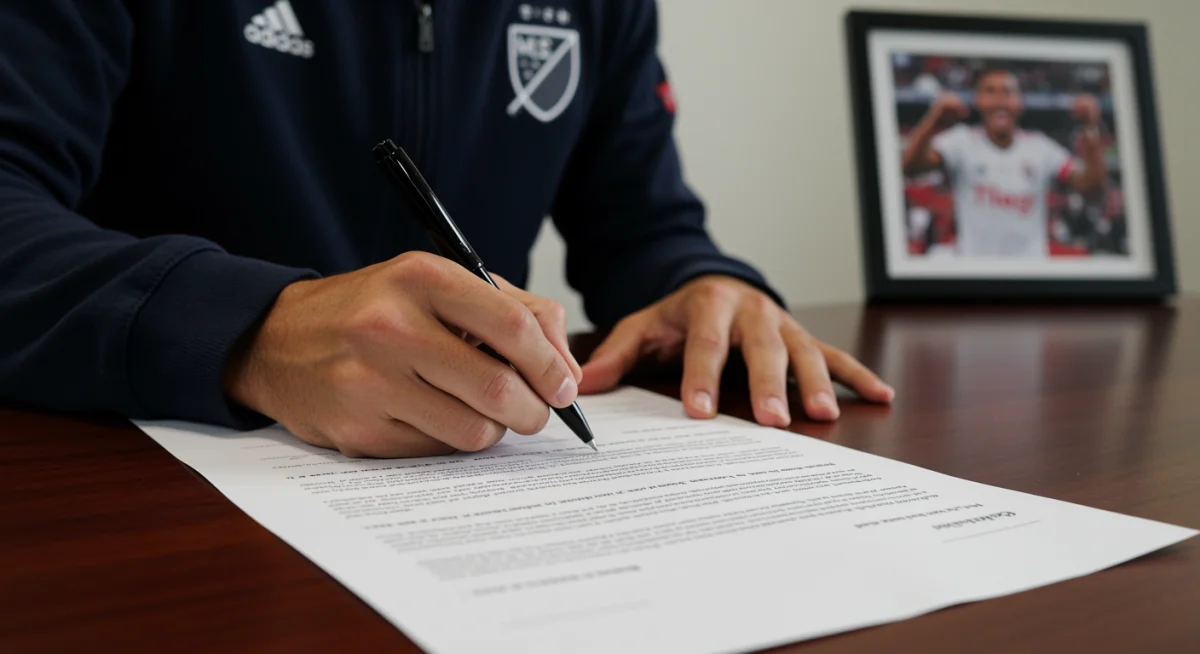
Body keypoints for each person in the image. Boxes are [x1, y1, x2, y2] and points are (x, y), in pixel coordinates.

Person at [0, 1, 893, 458]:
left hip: (469, 483)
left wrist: (703, 283)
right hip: (149, 492)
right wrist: (249, 329)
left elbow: (642, 224)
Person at [901, 66, 1106, 258]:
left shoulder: (1041, 147)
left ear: (1020, 102)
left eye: (1008, 92)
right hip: (976, 271)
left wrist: (1090, 128)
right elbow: (909, 167)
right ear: (978, 100)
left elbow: (1091, 187)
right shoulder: (961, 142)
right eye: (990, 91)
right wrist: (934, 119)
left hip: (1030, 271)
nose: (1000, 99)